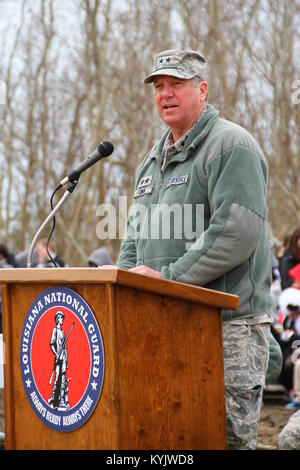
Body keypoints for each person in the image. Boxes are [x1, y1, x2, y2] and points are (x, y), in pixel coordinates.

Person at [116, 49, 273, 449]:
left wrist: (167, 281)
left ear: (202, 90)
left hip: (227, 330)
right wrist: (123, 291)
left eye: (176, 85)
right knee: (170, 440)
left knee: (222, 442)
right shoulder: (152, 161)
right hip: (164, 326)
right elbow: (134, 240)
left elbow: (236, 232)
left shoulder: (231, 145)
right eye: (159, 86)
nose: (165, 94)